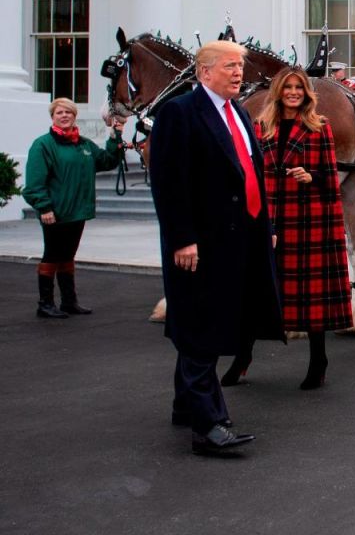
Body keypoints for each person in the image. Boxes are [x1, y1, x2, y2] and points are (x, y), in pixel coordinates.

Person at [148, 39, 284, 456]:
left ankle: (184, 407)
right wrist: (182, 238)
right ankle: (209, 426)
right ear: (205, 72)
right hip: (200, 243)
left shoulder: (239, 113)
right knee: (201, 329)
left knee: (204, 320)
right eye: (229, 67)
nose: (238, 73)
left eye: (240, 66)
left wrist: (265, 226)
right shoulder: (178, 112)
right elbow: (169, 183)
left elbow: (250, 172)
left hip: (238, 240)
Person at [243, 67, 352, 390]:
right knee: (257, 292)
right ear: (278, 91)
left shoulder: (319, 128)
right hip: (269, 217)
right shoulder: (261, 127)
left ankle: (318, 360)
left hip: (307, 221)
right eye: (288, 87)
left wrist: (311, 176)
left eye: (299, 88)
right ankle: (242, 356)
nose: (293, 92)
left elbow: (332, 181)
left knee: (311, 296)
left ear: (306, 93)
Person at [22, 98, 124, 319]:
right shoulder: (43, 145)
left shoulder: (84, 145)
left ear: (74, 116)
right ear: (53, 117)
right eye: (59, 112)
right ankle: (45, 303)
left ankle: (69, 301)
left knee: (67, 255)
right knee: (52, 255)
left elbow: (107, 161)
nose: (64, 115)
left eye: (68, 112)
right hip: (54, 213)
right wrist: (44, 207)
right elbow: (34, 182)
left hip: (77, 212)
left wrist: (115, 136)